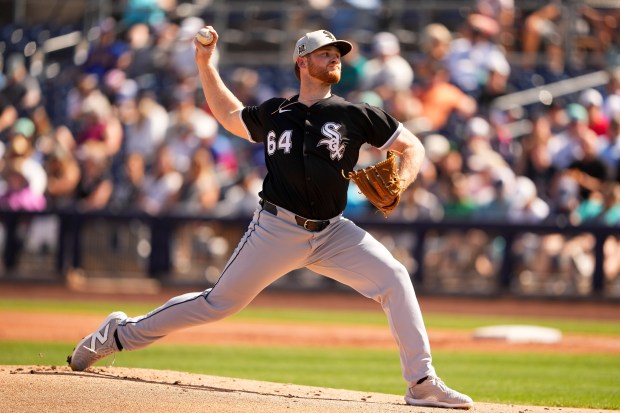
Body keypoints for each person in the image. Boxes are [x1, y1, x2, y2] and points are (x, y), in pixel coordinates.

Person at [67, 28, 473, 410]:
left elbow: (411, 145)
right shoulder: (277, 112)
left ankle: (421, 383)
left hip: (333, 231)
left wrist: (401, 177)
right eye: (325, 54)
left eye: (338, 55)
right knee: (217, 304)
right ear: (302, 62)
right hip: (276, 227)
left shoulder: (355, 114)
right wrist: (206, 65)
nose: (335, 59)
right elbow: (229, 116)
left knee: (395, 278)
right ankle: (118, 333)